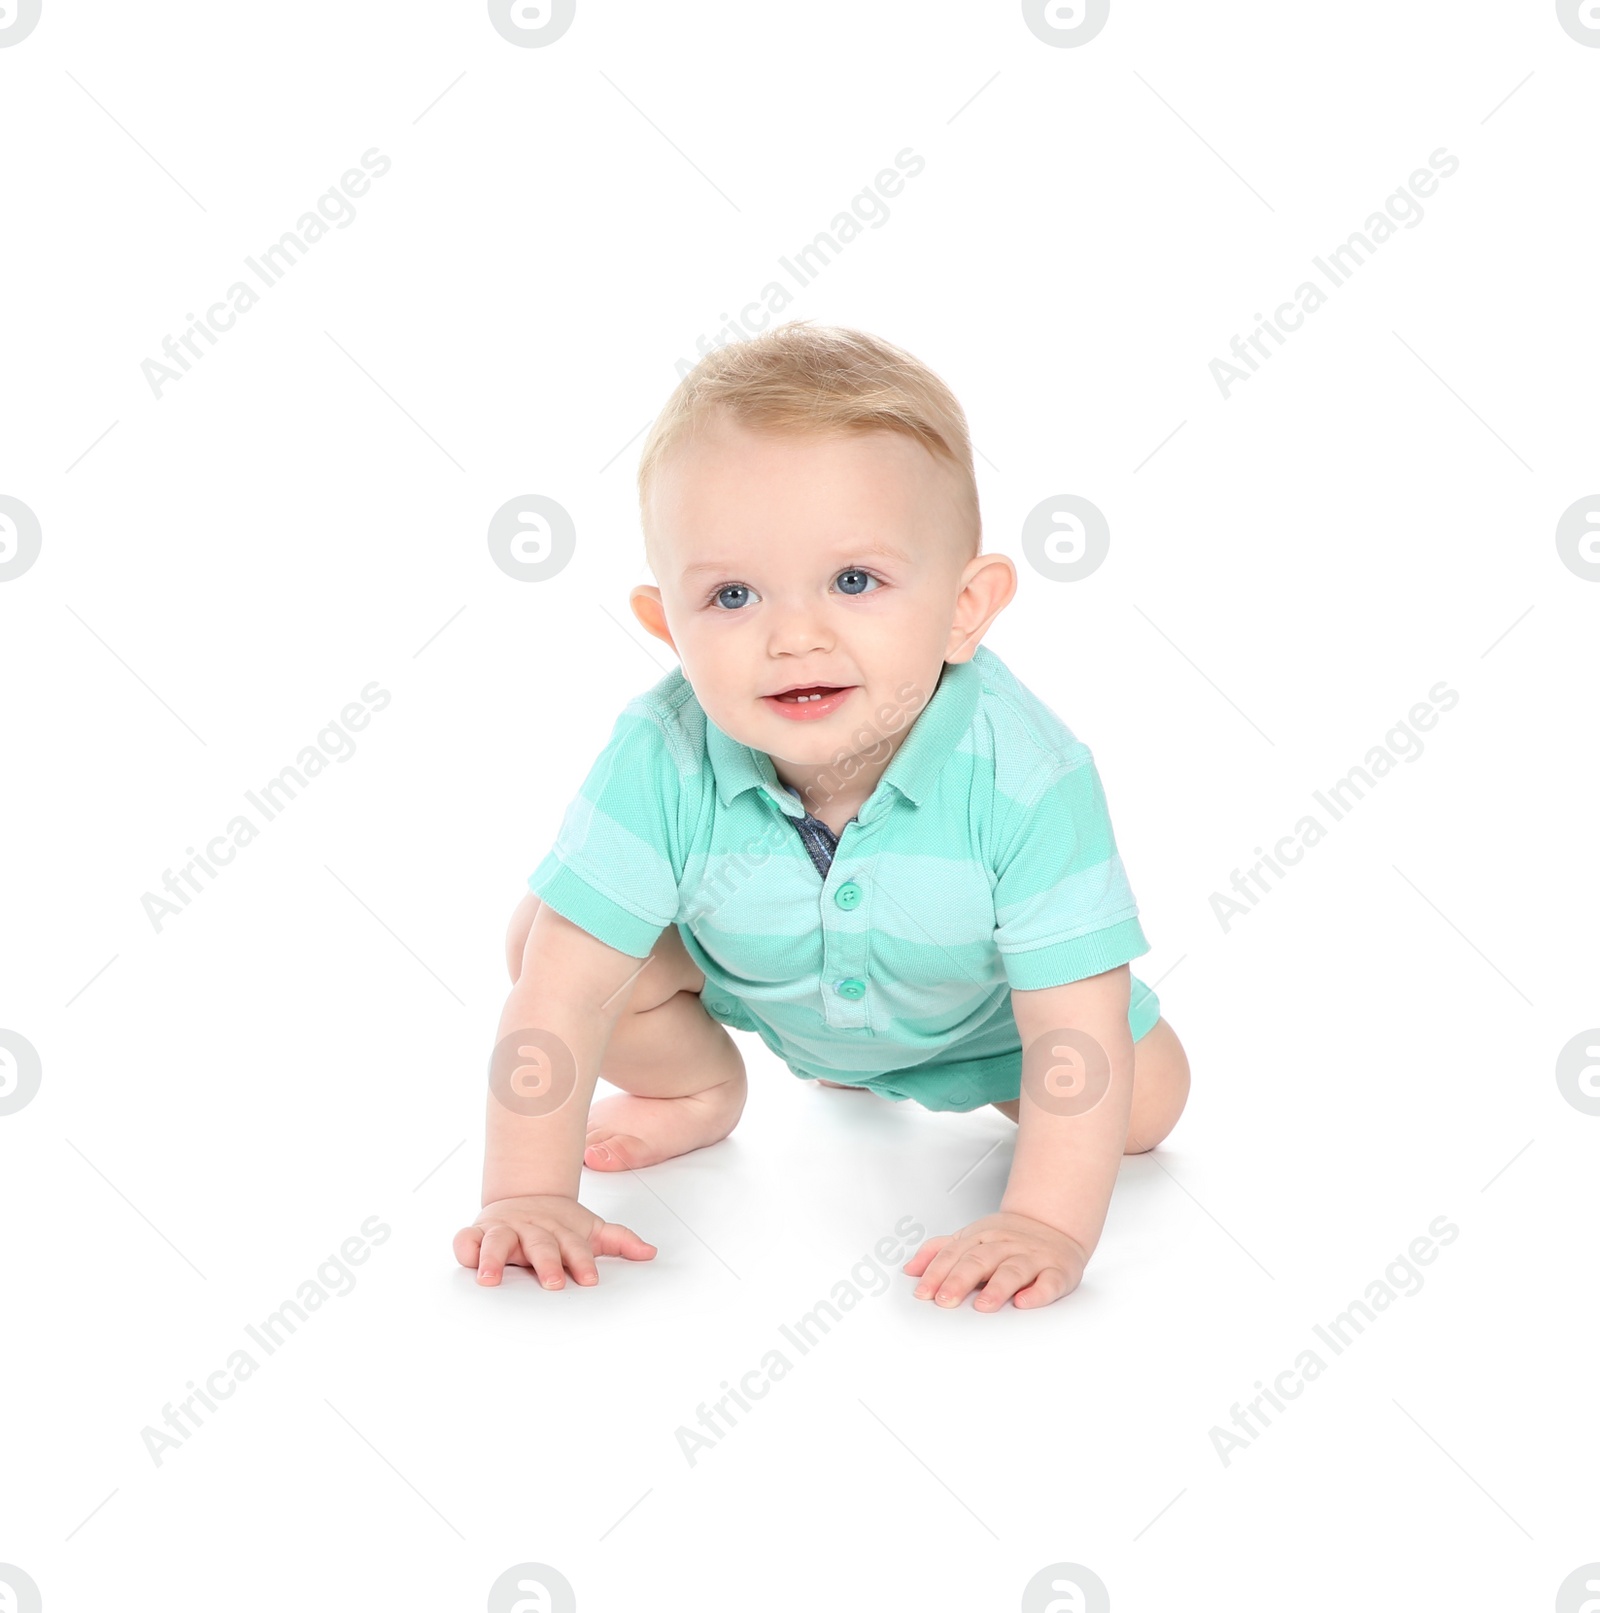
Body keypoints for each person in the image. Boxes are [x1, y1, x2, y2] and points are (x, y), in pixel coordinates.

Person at [454, 321, 1190, 1312]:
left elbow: (1074, 1030)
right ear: (667, 624)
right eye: (731, 594)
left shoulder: (1028, 773)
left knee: (1139, 1102)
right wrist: (529, 1194)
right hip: (764, 984)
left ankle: (909, 1070)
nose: (792, 635)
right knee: (544, 940)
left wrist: (1043, 1222)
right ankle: (696, 1087)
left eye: (854, 581)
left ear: (966, 606)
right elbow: (559, 999)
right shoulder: (661, 753)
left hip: (987, 1024)